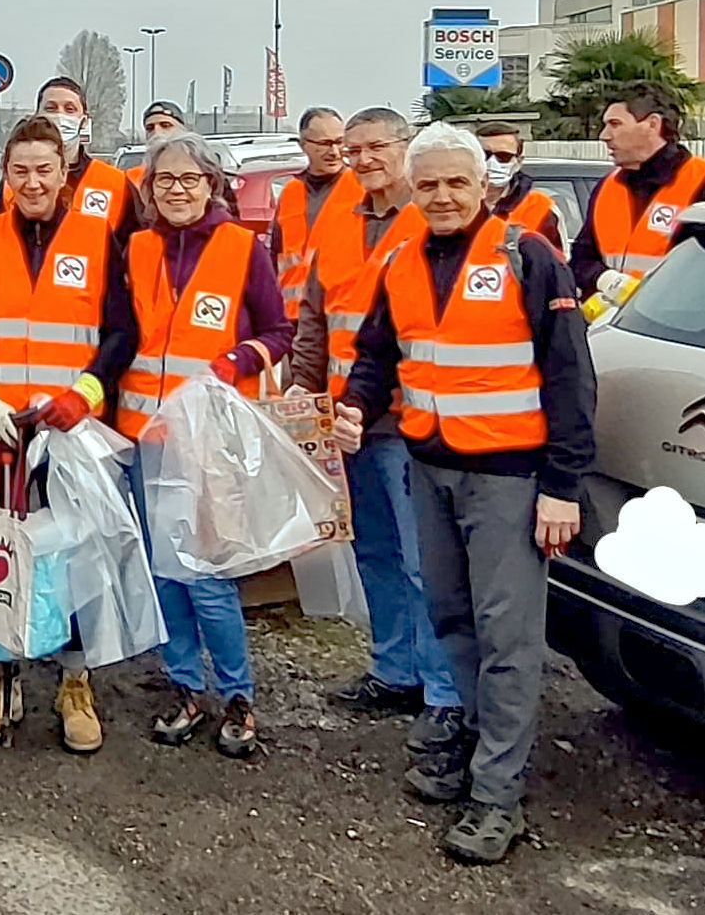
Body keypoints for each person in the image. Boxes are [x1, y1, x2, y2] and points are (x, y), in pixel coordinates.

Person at [336, 122, 595, 864]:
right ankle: (476, 753)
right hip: (430, 468)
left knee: (508, 640)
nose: (443, 196)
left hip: (511, 481)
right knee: (453, 620)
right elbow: (378, 354)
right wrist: (356, 402)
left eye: (457, 182)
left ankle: (497, 798)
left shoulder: (528, 256)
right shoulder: (403, 262)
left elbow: (571, 377)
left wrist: (561, 488)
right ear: (410, 192)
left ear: (484, 185)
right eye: (429, 185)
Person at [0, 114, 136, 753]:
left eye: (43, 169)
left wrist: (88, 392)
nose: (31, 181)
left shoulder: (96, 237)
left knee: (73, 558)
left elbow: (120, 331)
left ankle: (75, 683)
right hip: (2, 432)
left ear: (64, 173)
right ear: (5, 173)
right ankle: (3, 678)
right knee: (2, 555)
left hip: (70, 431)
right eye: (19, 170)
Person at [116, 131, 293, 759]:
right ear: (150, 190)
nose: (178, 191)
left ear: (213, 185)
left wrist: (239, 358)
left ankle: (237, 693)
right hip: (142, 435)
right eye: (165, 181)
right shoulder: (134, 248)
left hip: (207, 440)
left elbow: (279, 331)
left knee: (208, 574)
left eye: (190, 179)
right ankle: (187, 686)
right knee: (163, 571)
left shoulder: (243, 248)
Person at [287, 107, 462, 743]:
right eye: (353, 150)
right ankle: (395, 670)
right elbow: (314, 318)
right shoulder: (340, 221)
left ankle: (444, 692)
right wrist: (301, 399)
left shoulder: (432, 219)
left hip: (409, 421)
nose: (363, 159)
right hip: (346, 419)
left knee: (426, 564)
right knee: (375, 552)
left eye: (375, 147)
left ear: (405, 147)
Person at [570, 80, 705, 302]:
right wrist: (605, 281)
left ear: (653, 124)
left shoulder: (699, 181)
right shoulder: (608, 187)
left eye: (615, 124)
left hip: (674, 329)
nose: (604, 135)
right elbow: (581, 257)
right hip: (613, 325)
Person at [0, 77, 140, 241]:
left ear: (84, 122)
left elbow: (133, 251)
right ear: (38, 116)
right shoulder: (11, 185)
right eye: (51, 108)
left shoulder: (115, 184)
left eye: (70, 109)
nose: (60, 116)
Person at [271, 106, 357, 321]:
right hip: (293, 318)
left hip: (342, 315)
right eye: (324, 144)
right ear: (303, 145)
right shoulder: (291, 192)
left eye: (339, 142)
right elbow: (275, 256)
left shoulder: (361, 188)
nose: (334, 152)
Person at [474, 122, 562, 250]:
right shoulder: (454, 202)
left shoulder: (541, 208)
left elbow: (558, 263)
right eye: (484, 155)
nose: (491, 162)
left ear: (519, 162)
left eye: (503, 156)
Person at [126, 101, 188, 190]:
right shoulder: (134, 179)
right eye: (150, 128)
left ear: (182, 131)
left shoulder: (200, 173)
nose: (156, 133)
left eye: (166, 125)